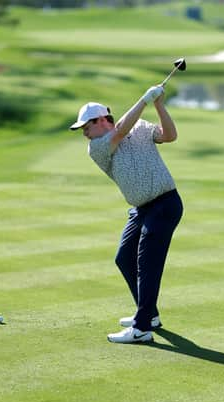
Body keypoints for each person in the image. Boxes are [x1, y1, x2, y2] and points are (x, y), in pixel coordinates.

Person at [70, 85, 183, 344]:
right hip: (141, 209)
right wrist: (145, 99)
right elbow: (120, 130)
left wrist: (159, 105)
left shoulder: (140, 126)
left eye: (86, 127)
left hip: (165, 204)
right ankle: (149, 314)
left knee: (147, 264)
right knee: (124, 258)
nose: (85, 134)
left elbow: (170, 136)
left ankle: (142, 328)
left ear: (100, 120)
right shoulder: (97, 147)